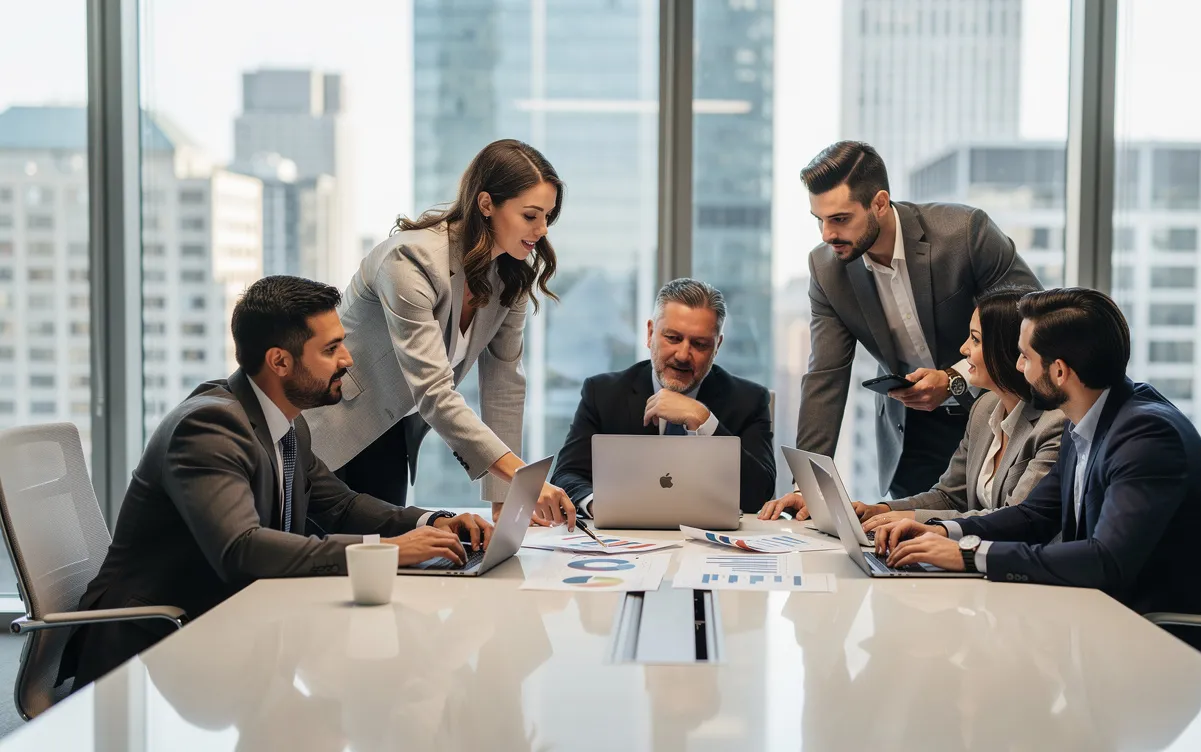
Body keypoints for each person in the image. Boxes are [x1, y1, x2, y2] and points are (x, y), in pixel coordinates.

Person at [59, 276, 494, 689]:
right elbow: (241, 548)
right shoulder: (209, 427)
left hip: (229, 628)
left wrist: (432, 521)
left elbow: (340, 506)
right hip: (152, 646)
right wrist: (383, 551)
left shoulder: (286, 425)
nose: (348, 360)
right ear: (280, 361)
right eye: (332, 349)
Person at [873, 288, 1201, 692]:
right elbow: (1036, 515)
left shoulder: (1147, 436)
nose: (1017, 366)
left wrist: (969, 555)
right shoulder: (1089, 417)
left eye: (1025, 357)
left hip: (1185, 654)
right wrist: (943, 533)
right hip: (1122, 627)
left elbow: (1106, 560)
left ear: (1060, 371)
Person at [304, 139, 575, 528]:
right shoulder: (410, 260)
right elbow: (433, 389)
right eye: (531, 215)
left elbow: (504, 384)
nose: (542, 229)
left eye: (548, 216)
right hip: (332, 428)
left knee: (386, 558)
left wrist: (504, 500)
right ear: (486, 204)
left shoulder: (510, 277)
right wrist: (518, 475)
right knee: (331, 565)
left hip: (394, 433)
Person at [765, 140, 1040, 518]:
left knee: (993, 528)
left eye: (840, 219)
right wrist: (808, 486)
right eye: (819, 219)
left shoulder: (963, 234)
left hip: (995, 412)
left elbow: (1028, 319)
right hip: (910, 429)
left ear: (879, 202)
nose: (826, 235)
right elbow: (824, 376)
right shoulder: (827, 268)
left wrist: (953, 380)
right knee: (906, 544)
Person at [760, 286, 1065, 524]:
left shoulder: (1053, 425)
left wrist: (914, 522)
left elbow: (1014, 520)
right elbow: (948, 497)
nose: (963, 350)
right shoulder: (984, 409)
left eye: (975, 340)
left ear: (1007, 350)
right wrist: (875, 511)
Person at [551, 278, 776, 516]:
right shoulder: (603, 393)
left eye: (699, 344)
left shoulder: (749, 400)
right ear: (650, 334)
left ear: (717, 346)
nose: (682, 355)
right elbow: (567, 475)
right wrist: (601, 505)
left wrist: (704, 420)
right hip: (628, 538)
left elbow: (759, 494)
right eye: (673, 338)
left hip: (708, 543)